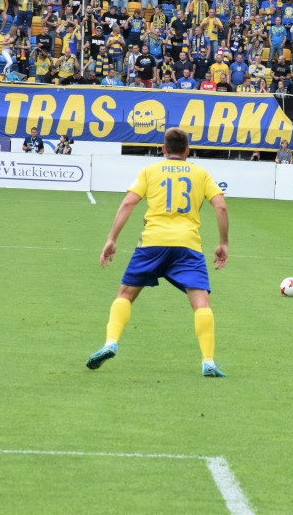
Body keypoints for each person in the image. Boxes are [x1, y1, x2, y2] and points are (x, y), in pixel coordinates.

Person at [85, 127, 230, 377]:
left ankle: (110, 342)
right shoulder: (200, 173)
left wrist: (112, 239)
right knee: (201, 302)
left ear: (163, 149)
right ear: (187, 150)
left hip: (152, 243)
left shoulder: (150, 170)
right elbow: (221, 206)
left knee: (126, 295)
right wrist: (223, 243)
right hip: (188, 246)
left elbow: (129, 202)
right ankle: (208, 361)